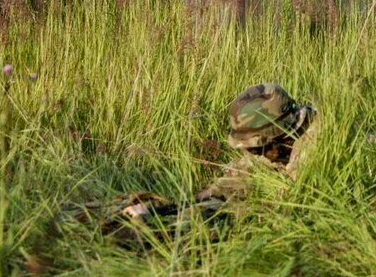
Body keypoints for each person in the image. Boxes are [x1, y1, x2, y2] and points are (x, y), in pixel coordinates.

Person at [78, 82, 316, 242]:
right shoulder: (273, 144)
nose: (253, 154)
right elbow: (235, 179)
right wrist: (179, 207)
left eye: (257, 148)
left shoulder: (316, 144)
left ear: (280, 135)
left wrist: (217, 216)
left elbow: (286, 208)